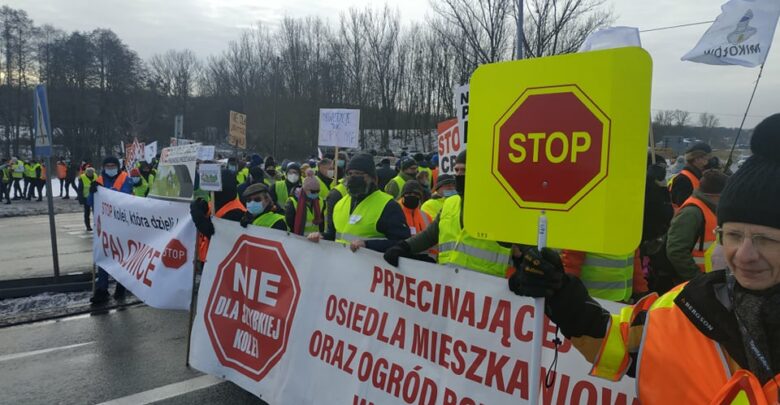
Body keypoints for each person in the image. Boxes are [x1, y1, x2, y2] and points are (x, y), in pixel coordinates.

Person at [508, 114, 780, 404]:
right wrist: (560, 292)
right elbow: (619, 344)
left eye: (766, 239)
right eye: (734, 235)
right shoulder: (684, 305)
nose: (745, 254)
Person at [384, 151, 513, 277]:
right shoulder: (450, 202)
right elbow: (430, 235)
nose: (459, 175)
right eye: (456, 170)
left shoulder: (500, 207)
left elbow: (518, 248)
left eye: (464, 170)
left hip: (487, 287)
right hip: (449, 284)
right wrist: (404, 246)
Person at [309, 153, 410, 253]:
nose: (353, 178)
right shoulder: (340, 204)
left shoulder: (388, 206)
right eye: (350, 174)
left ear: (371, 177)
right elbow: (333, 235)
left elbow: (402, 243)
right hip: (340, 265)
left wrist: (367, 245)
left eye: (358, 174)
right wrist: (321, 236)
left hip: (370, 266)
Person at [665, 169, 728, 286]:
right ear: (714, 195)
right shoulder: (692, 213)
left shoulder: (710, 208)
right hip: (696, 282)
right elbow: (676, 251)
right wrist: (697, 278)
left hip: (709, 279)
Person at [89, 157, 134, 305]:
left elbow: (124, 197)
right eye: (107, 165)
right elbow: (90, 202)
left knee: (120, 257)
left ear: (118, 166)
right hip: (104, 226)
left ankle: (121, 286)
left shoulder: (125, 179)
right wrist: (92, 192)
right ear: (103, 167)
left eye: (112, 165)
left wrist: (106, 193)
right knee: (103, 258)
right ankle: (102, 289)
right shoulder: (99, 180)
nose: (110, 168)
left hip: (121, 226)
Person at [191, 170, 247, 265]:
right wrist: (200, 205)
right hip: (208, 259)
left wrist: (197, 215)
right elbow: (208, 212)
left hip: (222, 262)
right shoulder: (217, 203)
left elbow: (214, 233)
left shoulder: (237, 212)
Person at [669, 142, 711, 208]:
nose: (707, 162)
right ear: (697, 159)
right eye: (705, 159)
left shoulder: (697, 175)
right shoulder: (683, 179)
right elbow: (683, 204)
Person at [285, 170, 324, 236]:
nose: (316, 194)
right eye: (313, 191)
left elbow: (321, 223)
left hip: (315, 239)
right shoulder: (292, 202)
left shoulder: (320, 200)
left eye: (318, 191)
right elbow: (290, 226)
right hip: (299, 240)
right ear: (305, 189)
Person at [78, 166, 97, 231]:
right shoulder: (82, 178)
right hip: (86, 198)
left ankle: (96, 224)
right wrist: (81, 199)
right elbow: (80, 189)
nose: (90, 174)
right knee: (87, 213)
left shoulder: (95, 176)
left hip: (95, 198)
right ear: (86, 173)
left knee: (96, 212)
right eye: (89, 173)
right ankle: (88, 226)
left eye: (91, 173)